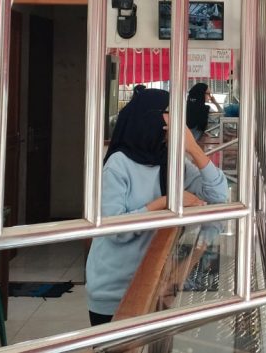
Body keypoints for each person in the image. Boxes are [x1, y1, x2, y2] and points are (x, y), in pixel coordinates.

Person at [86, 88, 229, 326]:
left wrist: (193, 148)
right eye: (171, 112)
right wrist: (165, 202)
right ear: (150, 116)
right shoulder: (118, 164)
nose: (178, 120)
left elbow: (219, 195)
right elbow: (115, 230)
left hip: (154, 278)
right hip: (113, 288)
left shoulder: (170, 160)